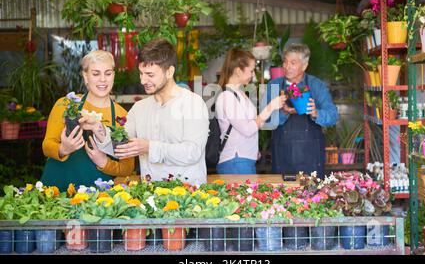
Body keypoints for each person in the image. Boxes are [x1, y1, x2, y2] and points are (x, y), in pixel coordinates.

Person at [81, 39, 210, 185]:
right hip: (150, 199)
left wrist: (149, 147)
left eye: (150, 74)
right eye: (141, 73)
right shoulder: (139, 108)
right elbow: (121, 146)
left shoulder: (193, 103)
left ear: (169, 72)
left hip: (189, 198)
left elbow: (192, 152)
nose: (142, 81)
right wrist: (98, 128)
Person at [41, 50, 135, 190]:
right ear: (85, 76)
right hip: (57, 191)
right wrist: (63, 149)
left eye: (108, 73)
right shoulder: (66, 104)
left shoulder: (122, 117)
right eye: (96, 73)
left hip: (97, 200)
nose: (103, 79)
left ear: (113, 76)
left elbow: (127, 167)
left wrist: (104, 163)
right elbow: (47, 145)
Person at [266, 43, 338, 179]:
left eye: (293, 63)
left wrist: (316, 113)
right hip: (282, 156)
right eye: (285, 62)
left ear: (304, 66)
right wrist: (284, 113)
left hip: (311, 158)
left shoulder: (316, 85)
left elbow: (333, 115)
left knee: (312, 197)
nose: (287, 67)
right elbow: (265, 122)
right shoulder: (273, 86)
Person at [215, 48, 286, 174]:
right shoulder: (227, 97)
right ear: (238, 71)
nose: (253, 75)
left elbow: (253, 124)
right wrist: (270, 107)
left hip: (244, 159)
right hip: (235, 161)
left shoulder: (240, 94)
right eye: (251, 71)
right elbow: (248, 129)